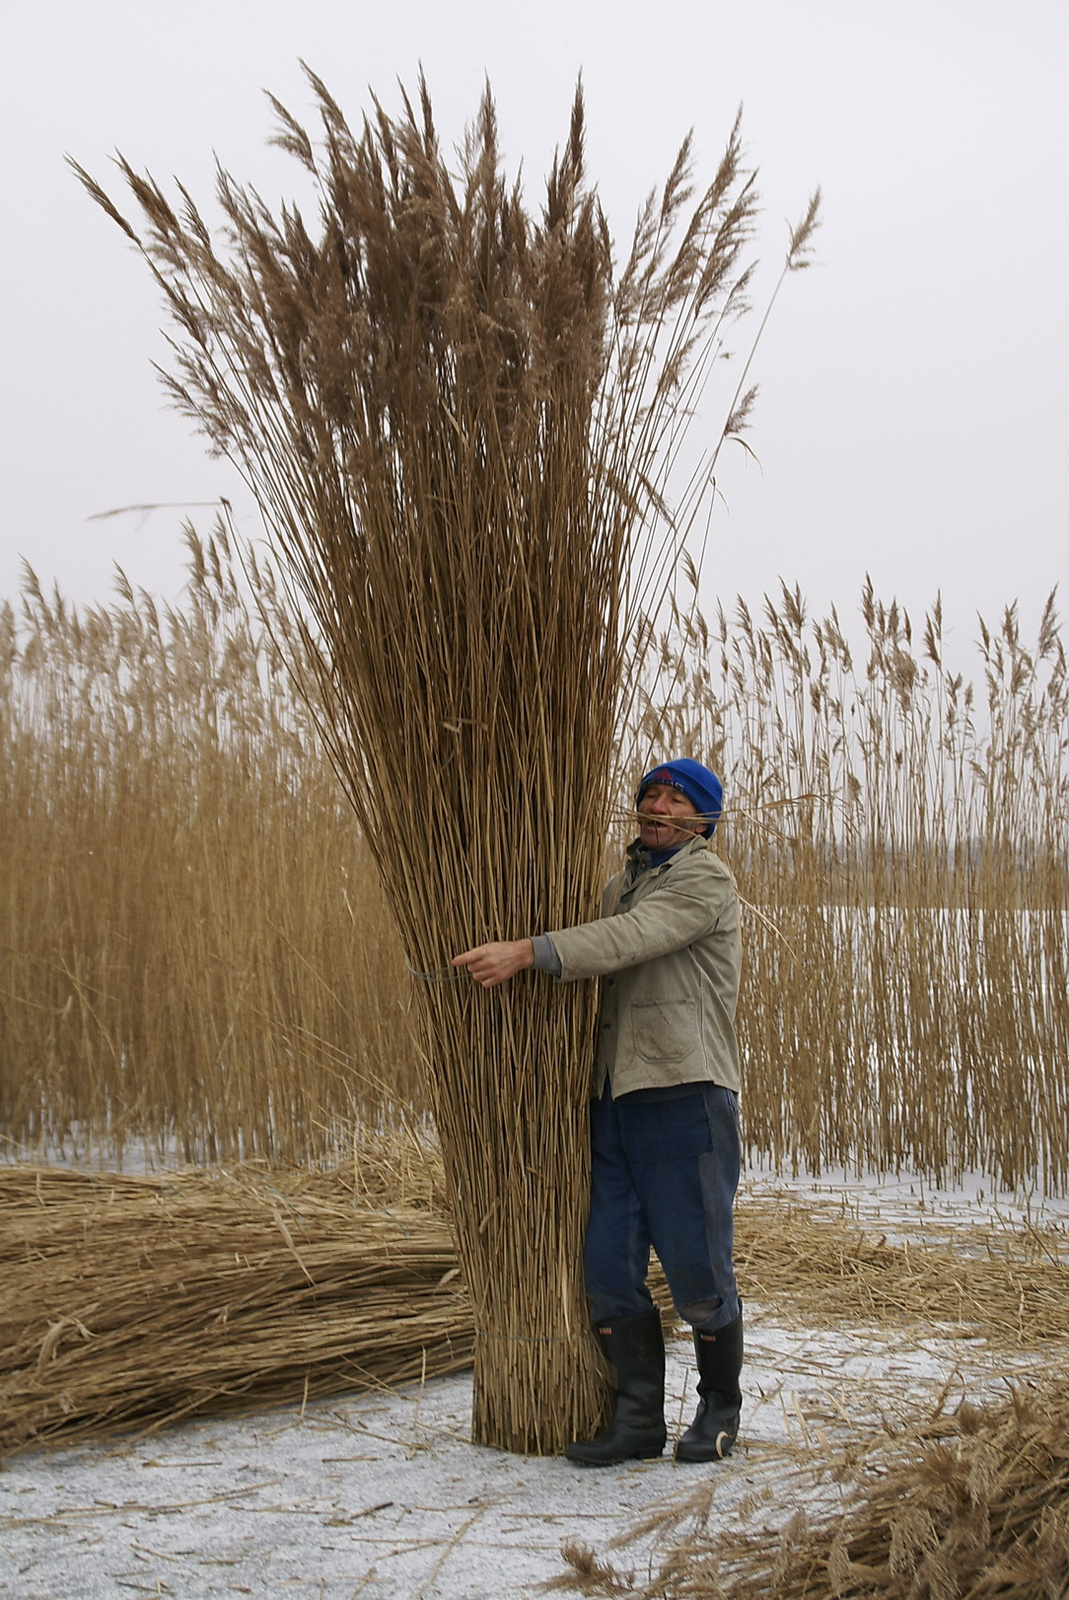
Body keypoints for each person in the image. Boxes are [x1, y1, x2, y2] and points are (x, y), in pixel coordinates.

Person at [452, 757, 743, 1467]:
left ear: (703, 821)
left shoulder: (705, 880)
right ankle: (637, 1422)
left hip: (682, 1093)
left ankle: (719, 1411)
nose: (658, 807)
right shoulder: (622, 883)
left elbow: (627, 940)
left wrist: (529, 951)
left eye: (676, 800)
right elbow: (614, 931)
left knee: (695, 1269)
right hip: (613, 1100)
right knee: (609, 1266)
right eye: (650, 795)